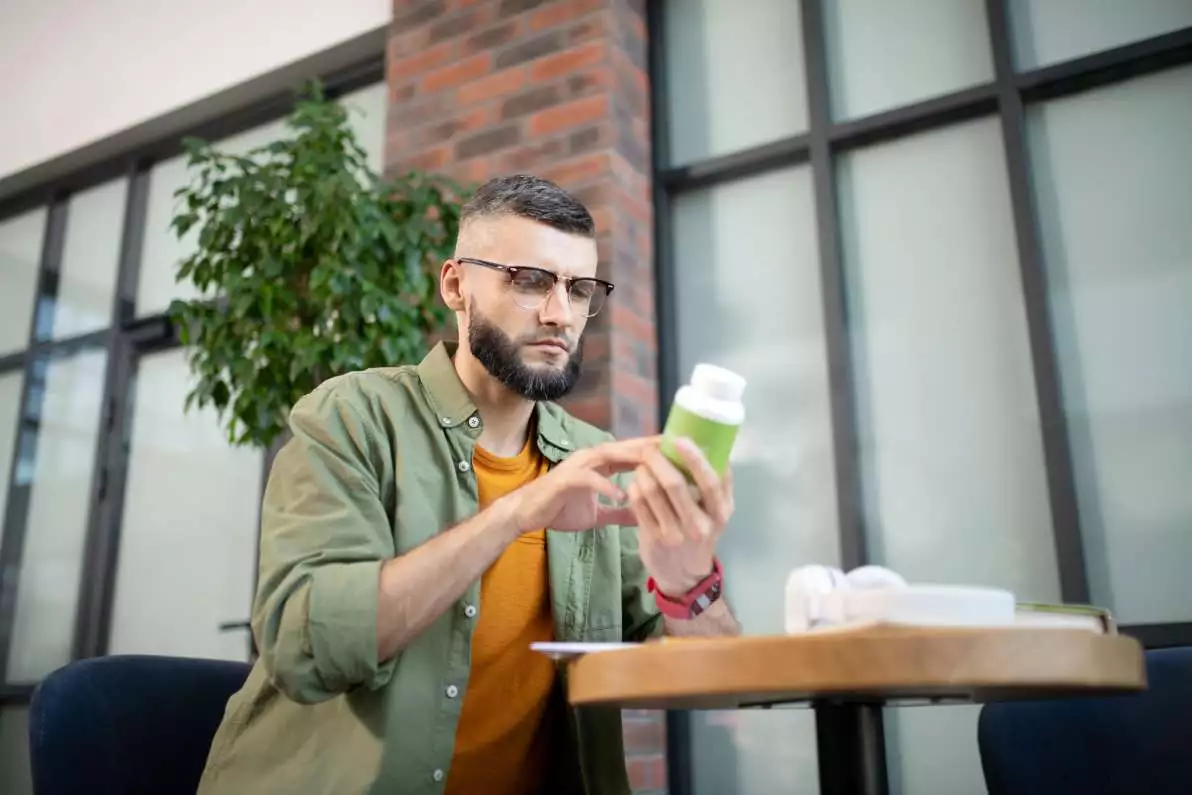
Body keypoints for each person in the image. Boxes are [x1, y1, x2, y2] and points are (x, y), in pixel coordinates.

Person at [197, 174, 741, 795]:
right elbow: (305, 646)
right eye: (529, 281)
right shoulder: (350, 417)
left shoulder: (592, 462)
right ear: (456, 286)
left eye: (580, 289)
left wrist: (687, 582)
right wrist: (515, 512)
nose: (560, 314)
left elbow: (716, 685)